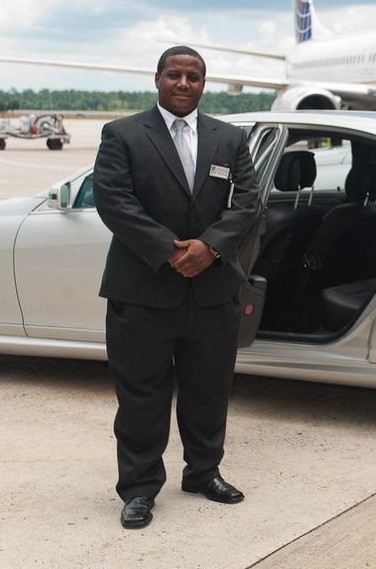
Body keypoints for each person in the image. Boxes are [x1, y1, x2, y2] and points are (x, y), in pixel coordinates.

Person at [93, 46, 260, 529]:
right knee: (141, 396)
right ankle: (140, 489)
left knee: (209, 391)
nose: (183, 83)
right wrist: (170, 250)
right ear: (158, 79)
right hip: (142, 292)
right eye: (174, 75)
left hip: (211, 293)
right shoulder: (122, 134)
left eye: (194, 76)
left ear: (204, 84)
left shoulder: (228, 138)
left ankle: (203, 472)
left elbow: (247, 202)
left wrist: (209, 247)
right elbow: (114, 202)